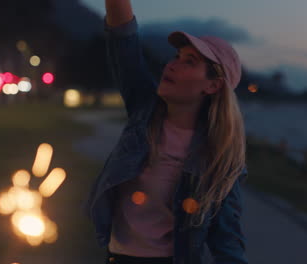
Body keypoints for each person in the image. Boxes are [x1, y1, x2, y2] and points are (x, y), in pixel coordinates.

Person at [83, 1, 249, 263]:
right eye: (176, 57)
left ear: (213, 85)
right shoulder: (144, 111)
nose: (171, 65)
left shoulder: (219, 158)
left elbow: (227, 243)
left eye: (189, 61)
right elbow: (122, 39)